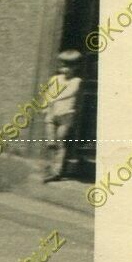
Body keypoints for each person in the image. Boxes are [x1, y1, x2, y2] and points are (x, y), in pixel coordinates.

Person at [44, 49, 82, 182]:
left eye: (69, 66)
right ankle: (50, 164)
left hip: (65, 115)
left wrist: (55, 97)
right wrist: (47, 105)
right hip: (52, 113)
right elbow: (48, 93)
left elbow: (71, 92)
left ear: (76, 67)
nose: (65, 69)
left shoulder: (76, 81)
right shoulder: (55, 79)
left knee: (60, 141)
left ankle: (57, 170)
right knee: (51, 141)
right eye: (63, 65)